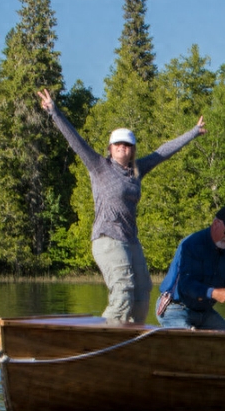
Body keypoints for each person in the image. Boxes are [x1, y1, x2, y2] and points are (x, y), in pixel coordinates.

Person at [37, 88, 205, 325]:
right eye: (117, 145)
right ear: (110, 147)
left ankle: (130, 337)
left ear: (132, 149)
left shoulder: (137, 170)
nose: (122, 148)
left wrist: (194, 132)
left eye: (126, 145)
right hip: (107, 238)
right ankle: (103, 339)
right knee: (124, 289)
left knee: (142, 290)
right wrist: (54, 112)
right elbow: (75, 140)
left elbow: (163, 151)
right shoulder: (99, 166)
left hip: (130, 241)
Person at [156, 206, 225, 330]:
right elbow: (185, 285)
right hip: (176, 308)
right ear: (216, 224)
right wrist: (213, 293)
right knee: (190, 341)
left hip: (205, 312)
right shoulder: (191, 244)